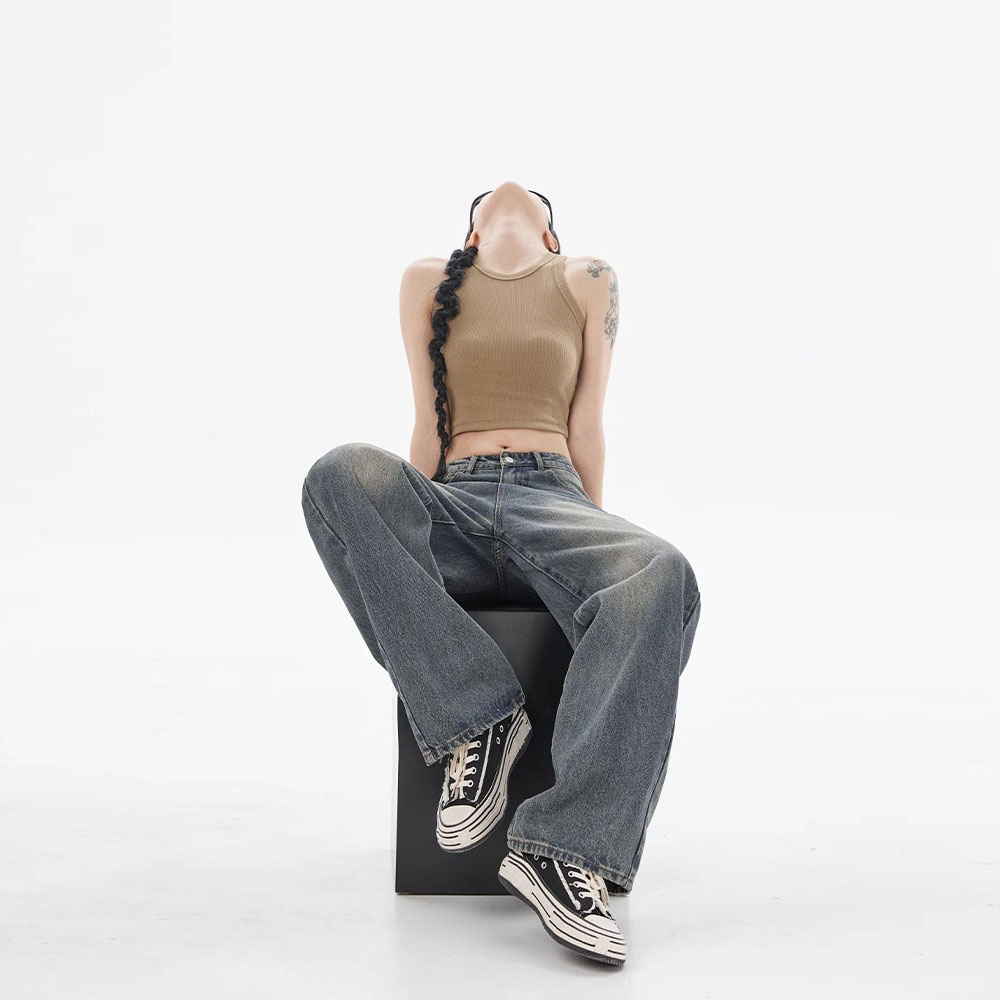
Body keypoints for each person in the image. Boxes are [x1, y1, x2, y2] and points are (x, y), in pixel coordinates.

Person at [301, 181, 702, 967]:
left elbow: (587, 424)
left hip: (555, 500)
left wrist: (588, 559)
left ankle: (565, 849)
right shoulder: (428, 279)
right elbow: (426, 425)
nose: (512, 190)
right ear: (470, 236)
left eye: (538, 202)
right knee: (339, 473)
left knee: (661, 571)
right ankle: (476, 720)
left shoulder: (586, 278)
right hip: (453, 498)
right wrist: (403, 547)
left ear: (553, 236)